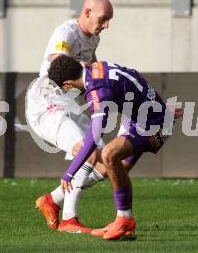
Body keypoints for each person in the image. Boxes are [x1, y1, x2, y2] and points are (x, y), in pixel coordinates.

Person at [48, 55, 183, 240]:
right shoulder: (94, 68)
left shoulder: (97, 89)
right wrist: (158, 106)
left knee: (109, 154)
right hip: (138, 119)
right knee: (114, 169)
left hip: (155, 126)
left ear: (68, 83)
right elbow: (135, 77)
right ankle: (53, 199)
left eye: (64, 89)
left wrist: (69, 173)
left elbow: (94, 136)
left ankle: (124, 220)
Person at [27, 0, 113, 233]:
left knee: (105, 163)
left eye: (109, 21)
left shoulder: (92, 38)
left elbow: (93, 67)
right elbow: (57, 61)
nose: (106, 25)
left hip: (68, 102)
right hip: (46, 100)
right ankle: (69, 220)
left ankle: (52, 200)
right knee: (84, 151)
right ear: (87, 12)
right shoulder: (66, 33)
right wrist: (87, 73)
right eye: (103, 18)